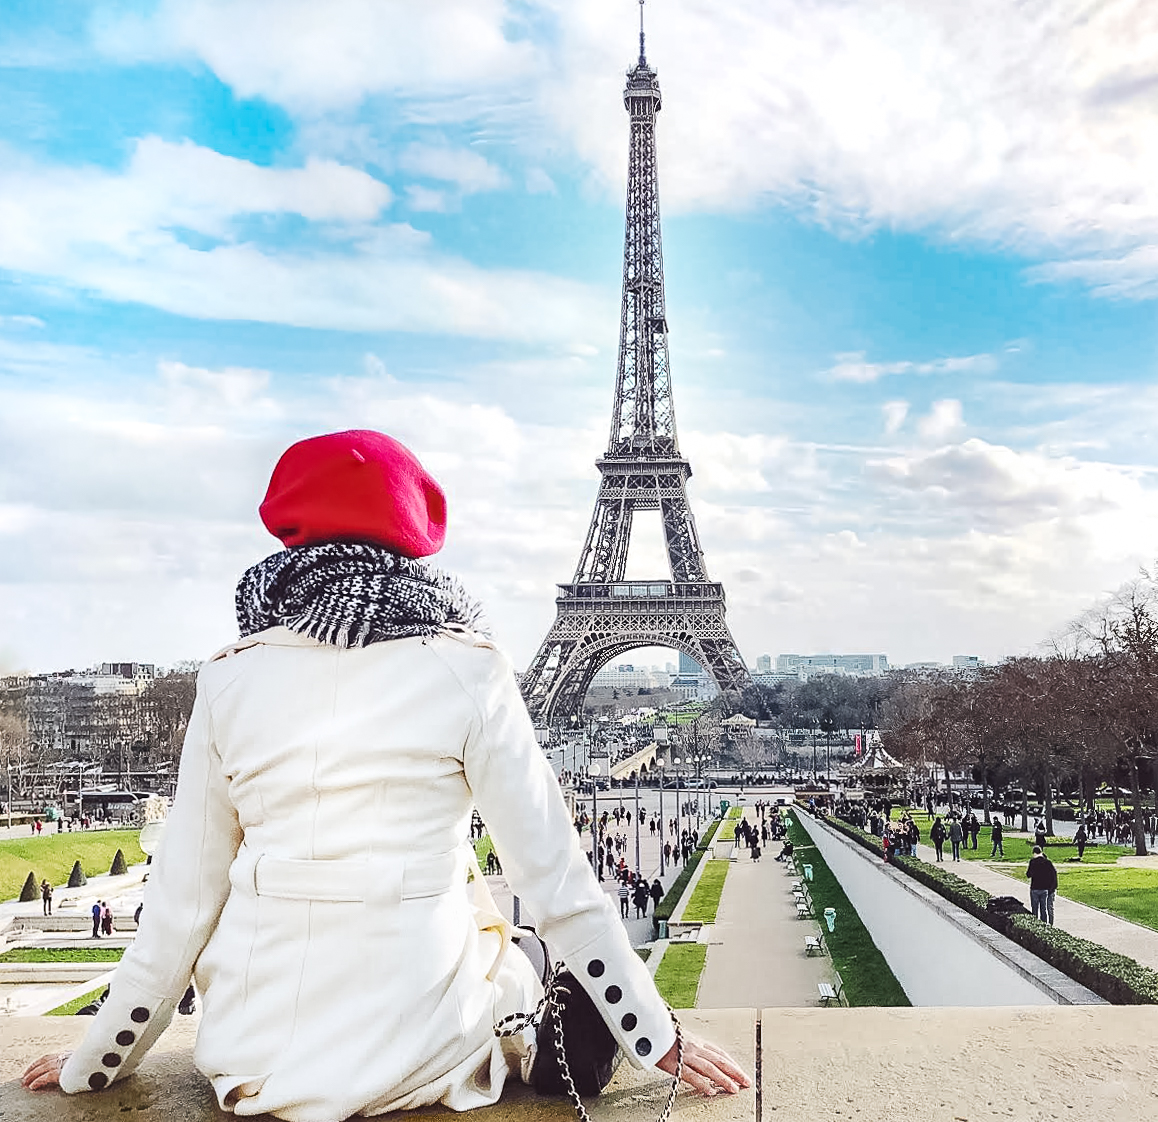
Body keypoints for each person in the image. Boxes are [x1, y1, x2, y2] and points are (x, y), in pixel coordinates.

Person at [23, 430, 747, 1115]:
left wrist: (98, 1058)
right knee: (514, 950)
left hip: (257, 1060)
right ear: (414, 534)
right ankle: (541, 1043)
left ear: (289, 531)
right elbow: (556, 881)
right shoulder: (469, 671)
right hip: (425, 1055)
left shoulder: (229, 679)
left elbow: (180, 909)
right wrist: (657, 1036)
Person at [1027, 845, 1058, 925]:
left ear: (1034, 853)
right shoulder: (1047, 862)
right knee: (1043, 909)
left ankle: (1035, 924)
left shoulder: (1032, 862)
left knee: (1034, 908)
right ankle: (1043, 924)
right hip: (1044, 889)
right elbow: (1053, 874)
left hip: (1035, 888)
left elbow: (1028, 874)